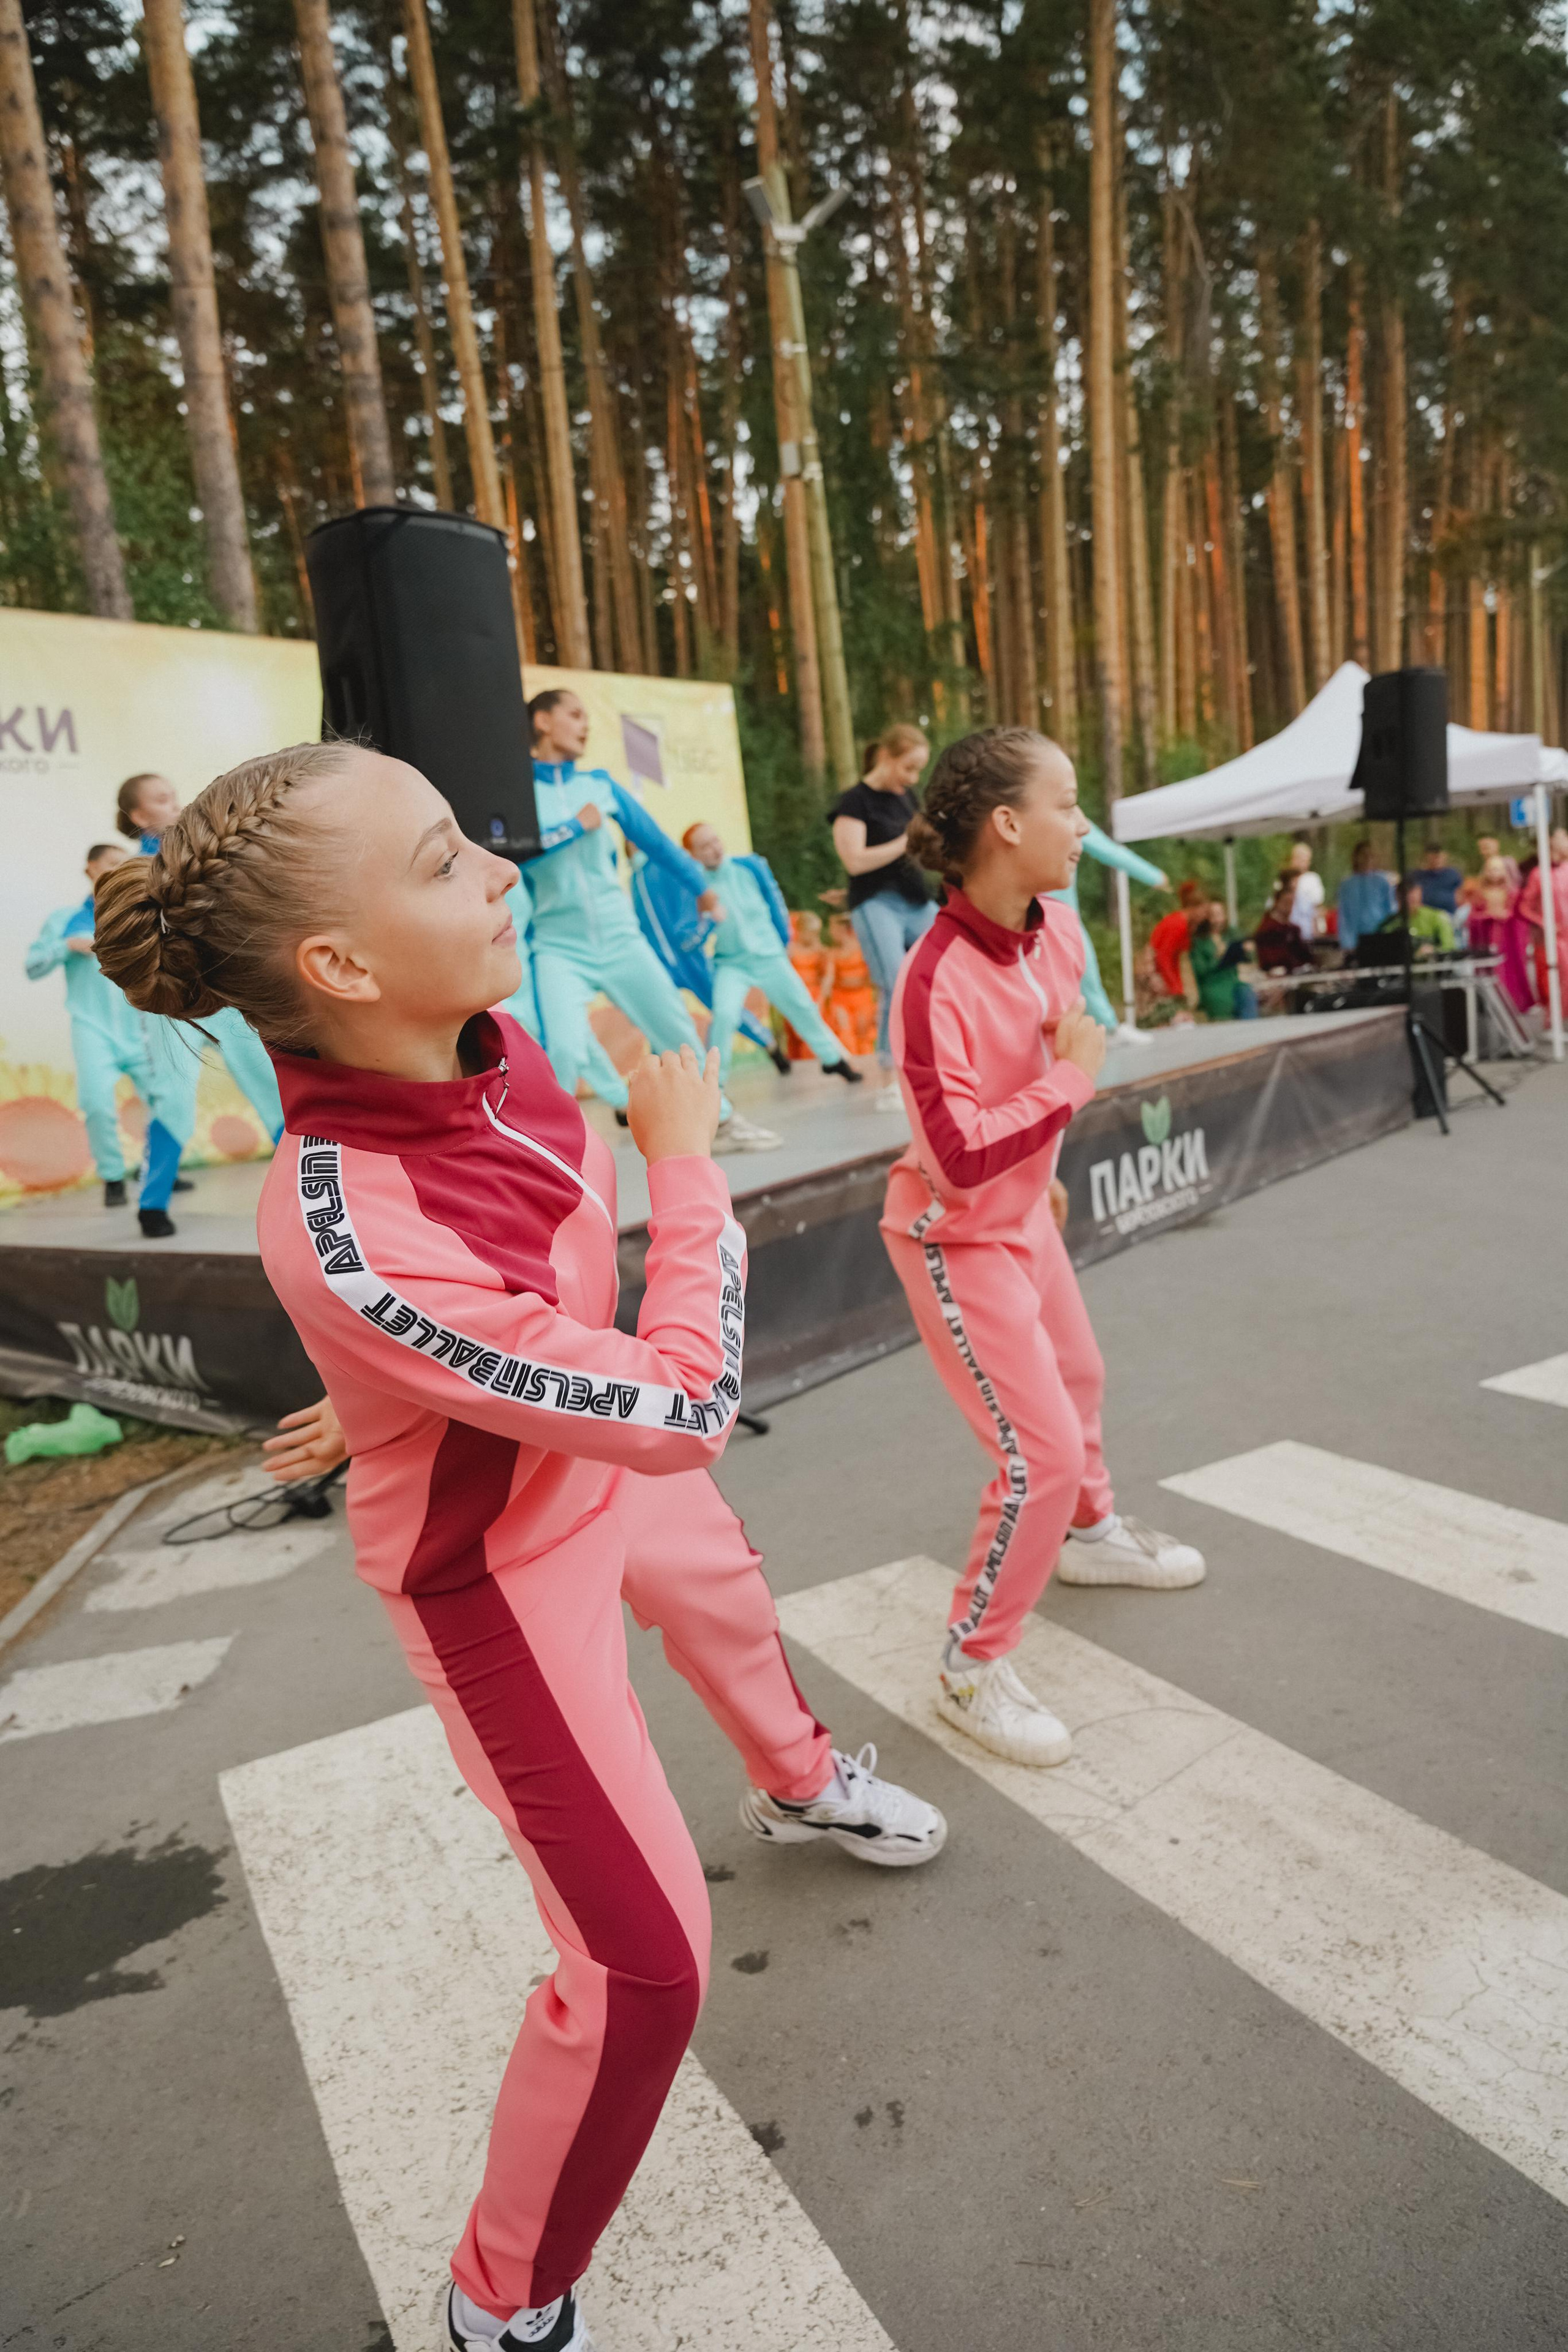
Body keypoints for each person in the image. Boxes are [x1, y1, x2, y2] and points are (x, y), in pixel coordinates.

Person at [93, 742, 944, 2352]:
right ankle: (505, 2299)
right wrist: (689, 1159)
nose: (499, 870)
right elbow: (684, 1399)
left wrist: (395, 1384)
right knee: (643, 1972)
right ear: (337, 967)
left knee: (732, 1609)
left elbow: (503, 1306)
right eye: (440, 861)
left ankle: (799, 1780)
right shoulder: (342, 1213)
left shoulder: (483, 1039)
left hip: (588, 1447)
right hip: (502, 1578)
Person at [880, 726, 1205, 1772]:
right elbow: (963, 1156)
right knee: (1038, 1458)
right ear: (1007, 824)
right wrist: (1070, 1087)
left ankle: (1093, 1537)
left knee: (1083, 1376)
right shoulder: (930, 981)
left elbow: (1039, 1058)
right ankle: (971, 1665)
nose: (1083, 825)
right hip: (954, 1237)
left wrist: (1049, 1164)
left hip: (1025, 1216)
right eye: (1067, 804)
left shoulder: (1056, 927)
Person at [525, 690, 778, 1153]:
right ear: (542, 721)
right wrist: (576, 827)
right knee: (559, 1048)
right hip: (558, 946)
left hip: (621, 939)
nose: (585, 725)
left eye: (587, 716)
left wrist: (703, 890)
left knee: (677, 1030)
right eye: (575, 715)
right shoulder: (518, 790)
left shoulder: (600, 785)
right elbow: (513, 852)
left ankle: (719, 1122)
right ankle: (554, 1153)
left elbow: (659, 844)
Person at [115, 771, 285, 1223]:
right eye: (161, 798)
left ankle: (302, 1186)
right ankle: (152, 1205)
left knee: (272, 1085)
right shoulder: (132, 873)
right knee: (172, 1098)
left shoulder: (205, 852)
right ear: (138, 815)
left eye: (173, 794)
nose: (174, 802)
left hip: (223, 994)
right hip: (170, 999)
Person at [24, 842, 189, 1215]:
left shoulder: (137, 912)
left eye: (125, 864)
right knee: (98, 1104)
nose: (118, 870)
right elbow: (33, 966)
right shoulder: (67, 919)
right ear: (90, 869)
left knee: (164, 1101)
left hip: (142, 1026)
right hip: (92, 1029)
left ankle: (163, 1171)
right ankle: (113, 1177)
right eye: (111, 864)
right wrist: (67, 945)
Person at [680, 822, 863, 1089]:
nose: (713, 849)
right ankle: (714, 1083)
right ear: (693, 855)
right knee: (725, 1015)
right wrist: (708, 917)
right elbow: (694, 932)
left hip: (769, 955)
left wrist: (784, 940)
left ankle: (832, 1058)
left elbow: (774, 900)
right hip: (732, 963)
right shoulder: (696, 886)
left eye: (715, 841)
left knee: (801, 1006)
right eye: (704, 847)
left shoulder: (749, 866)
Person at [828, 724, 935, 1108]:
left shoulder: (908, 797)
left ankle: (943, 1061)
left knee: (953, 965)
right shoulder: (855, 802)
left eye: (919, 769)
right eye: (909, 767)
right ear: (886, 758)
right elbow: (855, 861)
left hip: (917, 900)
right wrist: (905, 841)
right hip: (877, 903)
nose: (913, 778)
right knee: (895, 983)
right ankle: (891, 1078)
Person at [1048, 819, 1166, 1040]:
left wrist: (1153, 875)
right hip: (1037, 915)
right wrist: (1154, 876)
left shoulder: (1068, 814)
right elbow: (1108, 850)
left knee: (1084, 968)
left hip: (1060, 917)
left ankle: (1108, 1028)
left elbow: (1107, 850)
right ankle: (1106, 1028)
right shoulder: (1050, 810)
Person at [1462, 853, 1533, 1012]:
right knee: (1489, 968)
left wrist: (1508, 917)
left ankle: (1513, 1001)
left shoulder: (1513, 892)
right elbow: (1472, 916)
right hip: (1486, 938)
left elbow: (1520, 915)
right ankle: (1490, 1004)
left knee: (1509, 969)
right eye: (1491, 870)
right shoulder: (1479, 893)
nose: (1494, 874)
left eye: (1498, 870)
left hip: (1508, 939)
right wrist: (1486, 917)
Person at [1519, 826, 1568, 1007]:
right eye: (1562, 837)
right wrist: (1544, 923)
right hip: (1552, 937)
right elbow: (1525, 907)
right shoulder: (1539, 874)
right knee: (1554, 976)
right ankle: (1555, 1016)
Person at [1187, 899, 1259, 1020]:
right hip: (1214, 985)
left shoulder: (1231, 934)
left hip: (1233, 981)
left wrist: (1246, 950)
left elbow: (1249, 957)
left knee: (1247, 993)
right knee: (1222, 1002)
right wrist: (1218, 957)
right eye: (1213, 916)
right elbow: (1200, 970)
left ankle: (1251, 1031)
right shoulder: (1199, 941)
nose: (1217, 921)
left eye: (1220, 915)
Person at [824, 914, 881, 1060]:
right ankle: (850, 1064)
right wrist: (821, 1000)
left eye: (834, 930)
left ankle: (867, 1067)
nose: (831, 934)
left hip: (862, 997)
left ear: (844, 930)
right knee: (845, 1032)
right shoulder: (833, 953)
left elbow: (875, 976)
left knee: (863, 1035)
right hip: (841, 998)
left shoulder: (864, 951)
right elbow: (829, 978)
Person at [783, 910, 832, 1060]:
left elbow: (827, 977)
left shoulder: (821, 951)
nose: (813, 937)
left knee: (810, 1037)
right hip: (793, 995)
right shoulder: (790, 950)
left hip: (814, 996)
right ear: (801, 930)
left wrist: (821, 999)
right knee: (793, 1037)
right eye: (810, 932)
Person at [1335, 841, 1396, 953]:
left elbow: (1391, 910)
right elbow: (1343, 915)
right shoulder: (1347, 884)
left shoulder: (1383, 881)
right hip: (1356, 938)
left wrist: (1390, 936)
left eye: (1371, 856)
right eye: (1364, 855)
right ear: (1356, 857)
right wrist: (1347, 942)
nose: (1367, 859)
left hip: (1380, 936)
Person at [1150, 880, 1205, 999]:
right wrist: (1174, 987)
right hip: (1160, 979)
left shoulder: (1182, 924)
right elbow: (1164, 957)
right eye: (1203, 911)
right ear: (1193, 908)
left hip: (1167, 976)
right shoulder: (1178, 925)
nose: (1204, 916)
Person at [1376, 876, 1455, 958]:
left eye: (1413, 895)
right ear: (1397, 896)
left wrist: (1433, 950)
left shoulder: (1438, 918)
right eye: (1404, 895)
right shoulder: (1388, 924)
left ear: (1420, 894)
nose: (1408, 898)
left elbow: (1449, 947)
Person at [1254, 873, 1317, 975]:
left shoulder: (1293, 929)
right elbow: (1270, 959)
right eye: (1286, 903)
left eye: (1291, 903)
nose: (1289, 907)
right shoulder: (1267, 929)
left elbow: (1304, 956)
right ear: (1277, 902)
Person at [1286, 834, 1324, 943]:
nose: (1304, 863)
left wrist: (1319, 929)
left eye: (1307, 860)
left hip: (1308, 932)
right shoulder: (1284, 880)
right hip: (1289, 933)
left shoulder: (1313, 879)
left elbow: (1318, 907)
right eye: (1301, 859)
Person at [1416, 839, 1463, 918]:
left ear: (1445, 856)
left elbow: (1460, 896)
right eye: (1433, 857)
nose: (1436, 860)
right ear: (1427, 857)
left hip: (1449, 916)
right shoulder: (1418, 875)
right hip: (1426, 917)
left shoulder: (1453, 874)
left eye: (1438, 857)